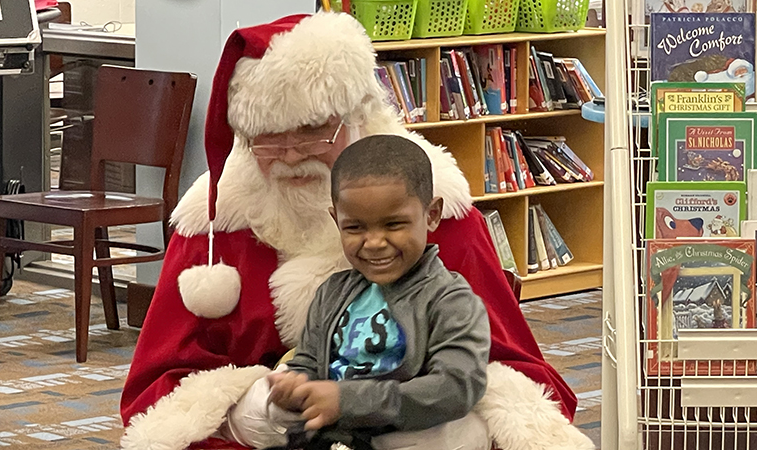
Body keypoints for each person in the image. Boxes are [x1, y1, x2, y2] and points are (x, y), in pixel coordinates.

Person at [119, 12, 593, 450]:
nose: (288, 155)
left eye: (310, 130)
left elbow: (514, 371)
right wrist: (260, 402)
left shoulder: (439, 216)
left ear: (356, 115)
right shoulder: (214, 225)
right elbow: (157, 385)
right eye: (266, 137)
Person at [224, 135, 491, 449]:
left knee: (459, 433)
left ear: (431, 215)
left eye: (394, 224)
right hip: (330, 429)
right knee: (249, 408)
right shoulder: (332, 292)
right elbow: (308, 363)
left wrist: (347, 401)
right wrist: (293, 388)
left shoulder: (451, 299)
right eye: (355, 227)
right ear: (337, 220)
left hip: (401, 428)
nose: (374, 242)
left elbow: (456, 387)